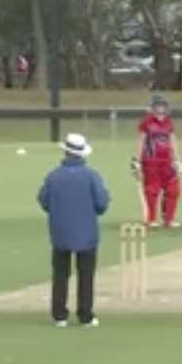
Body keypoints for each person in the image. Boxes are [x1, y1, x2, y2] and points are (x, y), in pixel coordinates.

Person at [37, 133, 111, 328]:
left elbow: (43, 201)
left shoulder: (53, 176)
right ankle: (85, 315)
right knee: (86, 275)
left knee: (60, 274)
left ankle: (59, 315)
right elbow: (102, 204)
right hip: (87, 233)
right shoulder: (91, 176)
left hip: (60, 232)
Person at [131, 94, 182, 228]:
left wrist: (176, 159)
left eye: (163, 107)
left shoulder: (168, 122)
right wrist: (136, 160)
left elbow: (172, 140)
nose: (161, 110)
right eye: (158, 106)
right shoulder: (146, 122)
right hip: (150, 162)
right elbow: (141, 141)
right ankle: (151, 219)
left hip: (167, 162)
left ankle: (169, 219)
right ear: (153, 108)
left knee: (173, 190)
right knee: (152, 191)